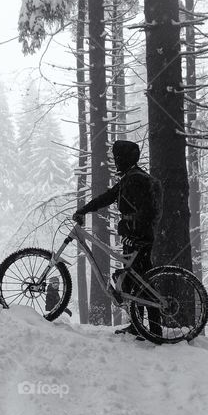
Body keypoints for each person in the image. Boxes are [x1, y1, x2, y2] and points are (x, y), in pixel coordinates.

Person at [71, 140, 159, 337]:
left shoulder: (136, 180)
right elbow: (108, 197)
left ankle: (155, 330)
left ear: (124, 159)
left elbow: (145, 210)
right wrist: (84, 209)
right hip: (134, 234)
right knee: (136, 281)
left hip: (138, 236)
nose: (115, 162)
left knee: (144, 282)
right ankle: (139, 325)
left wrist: (138, 234)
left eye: (117, 158)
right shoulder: (130, 178)